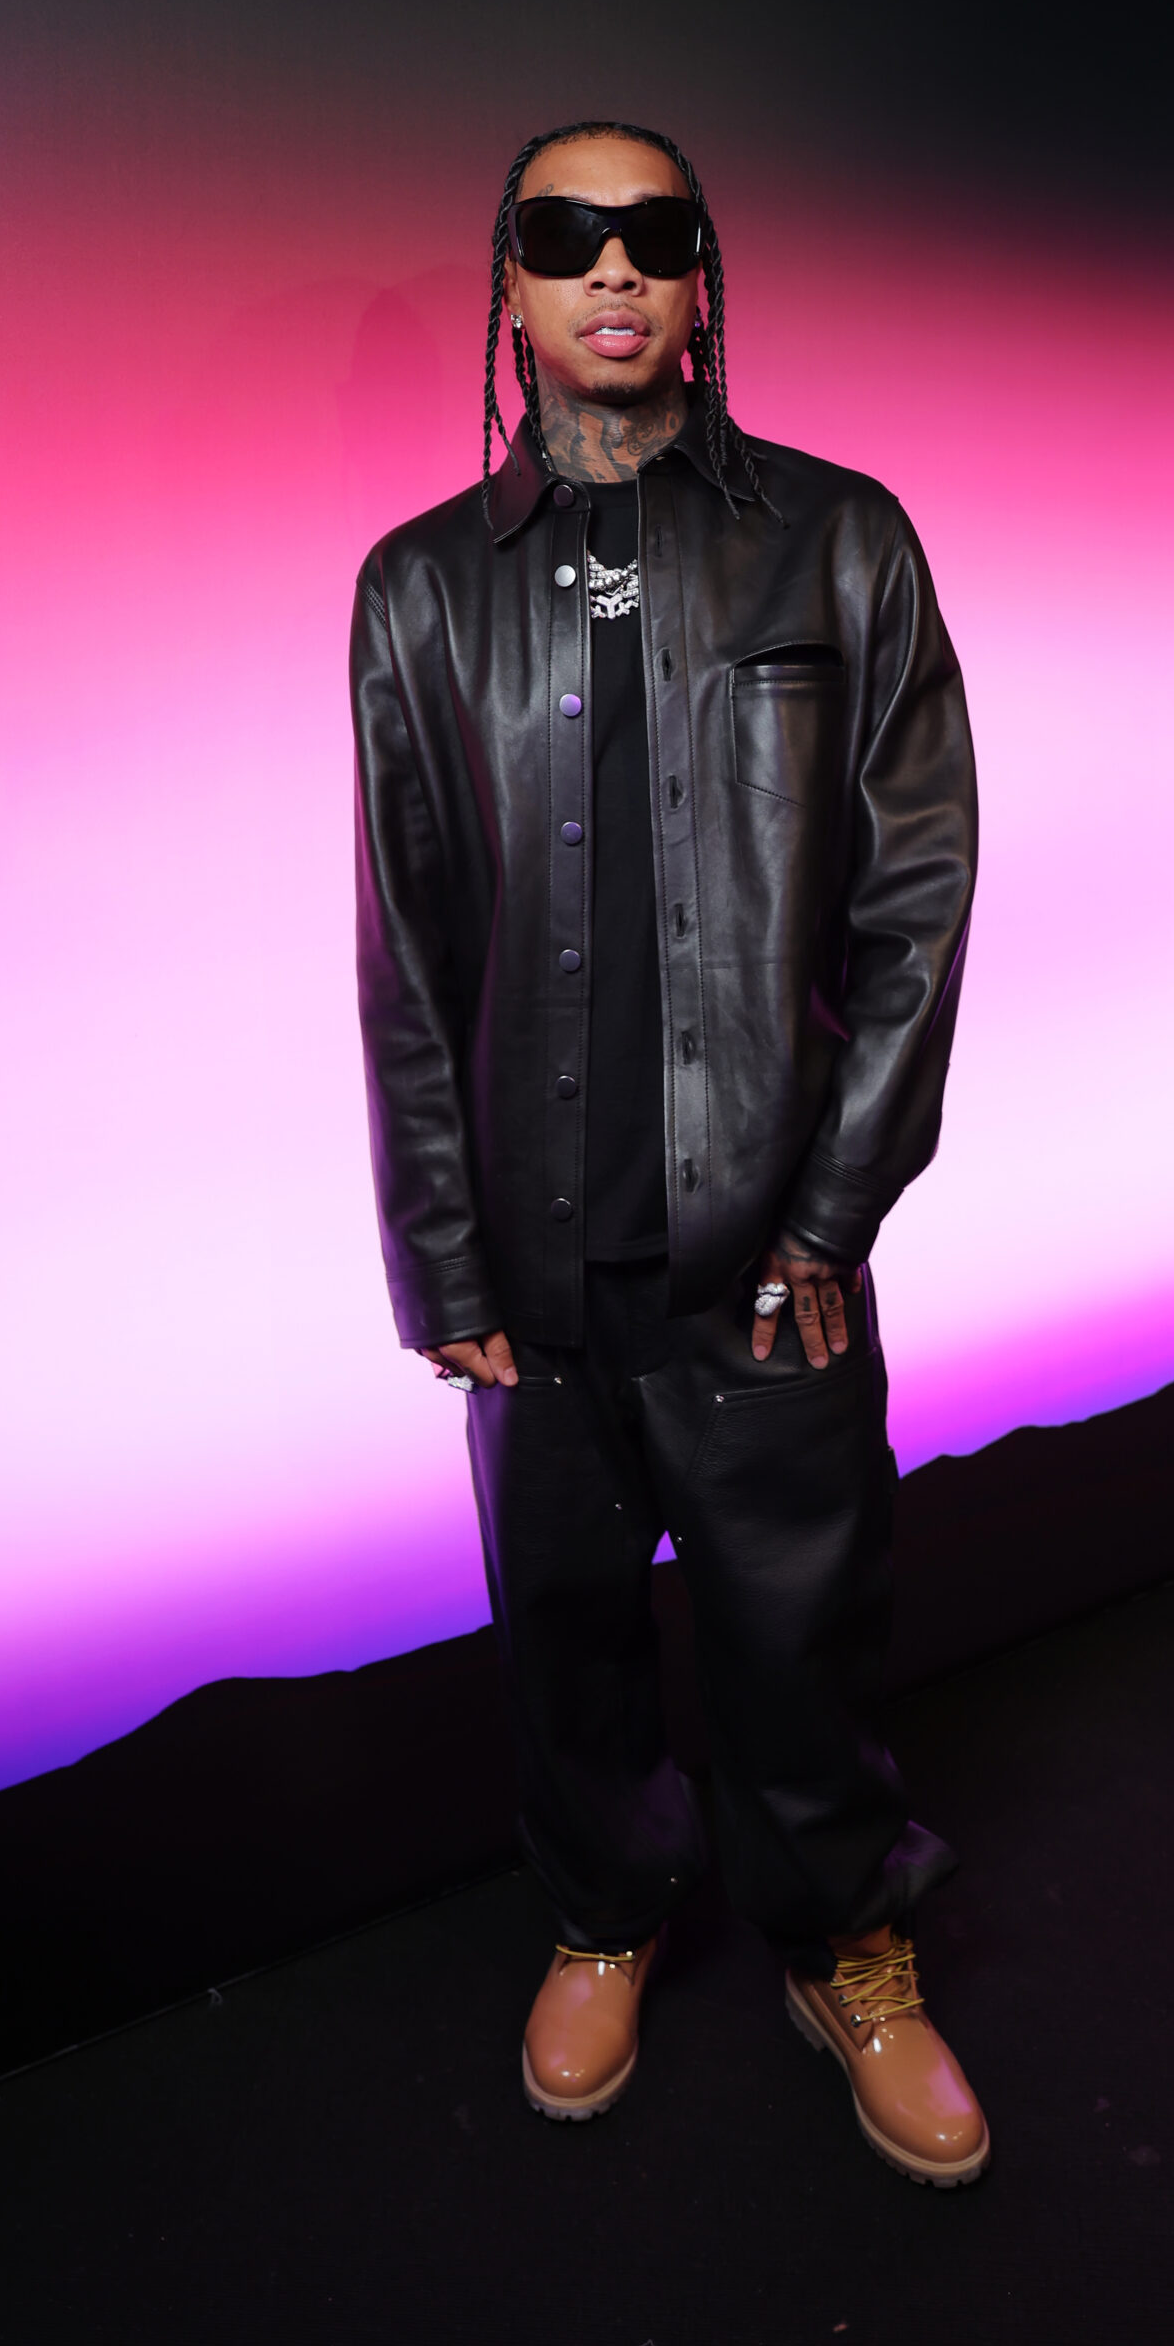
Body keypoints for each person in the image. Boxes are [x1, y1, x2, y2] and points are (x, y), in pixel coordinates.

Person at [350, 120, 984, 2186]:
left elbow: (916, 905)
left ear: (703, 277)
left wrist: (830, 1215)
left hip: (767, 1247)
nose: (610, 267)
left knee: (803, 1636)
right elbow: (405, 945)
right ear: (511, 288)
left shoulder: (840, 541)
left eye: (652, 233)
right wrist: (442, 1259)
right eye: (565, 234)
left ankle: (845, 1940)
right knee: (565, 1637)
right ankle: (605, 1914)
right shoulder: (417, 589)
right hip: (536, 1259)